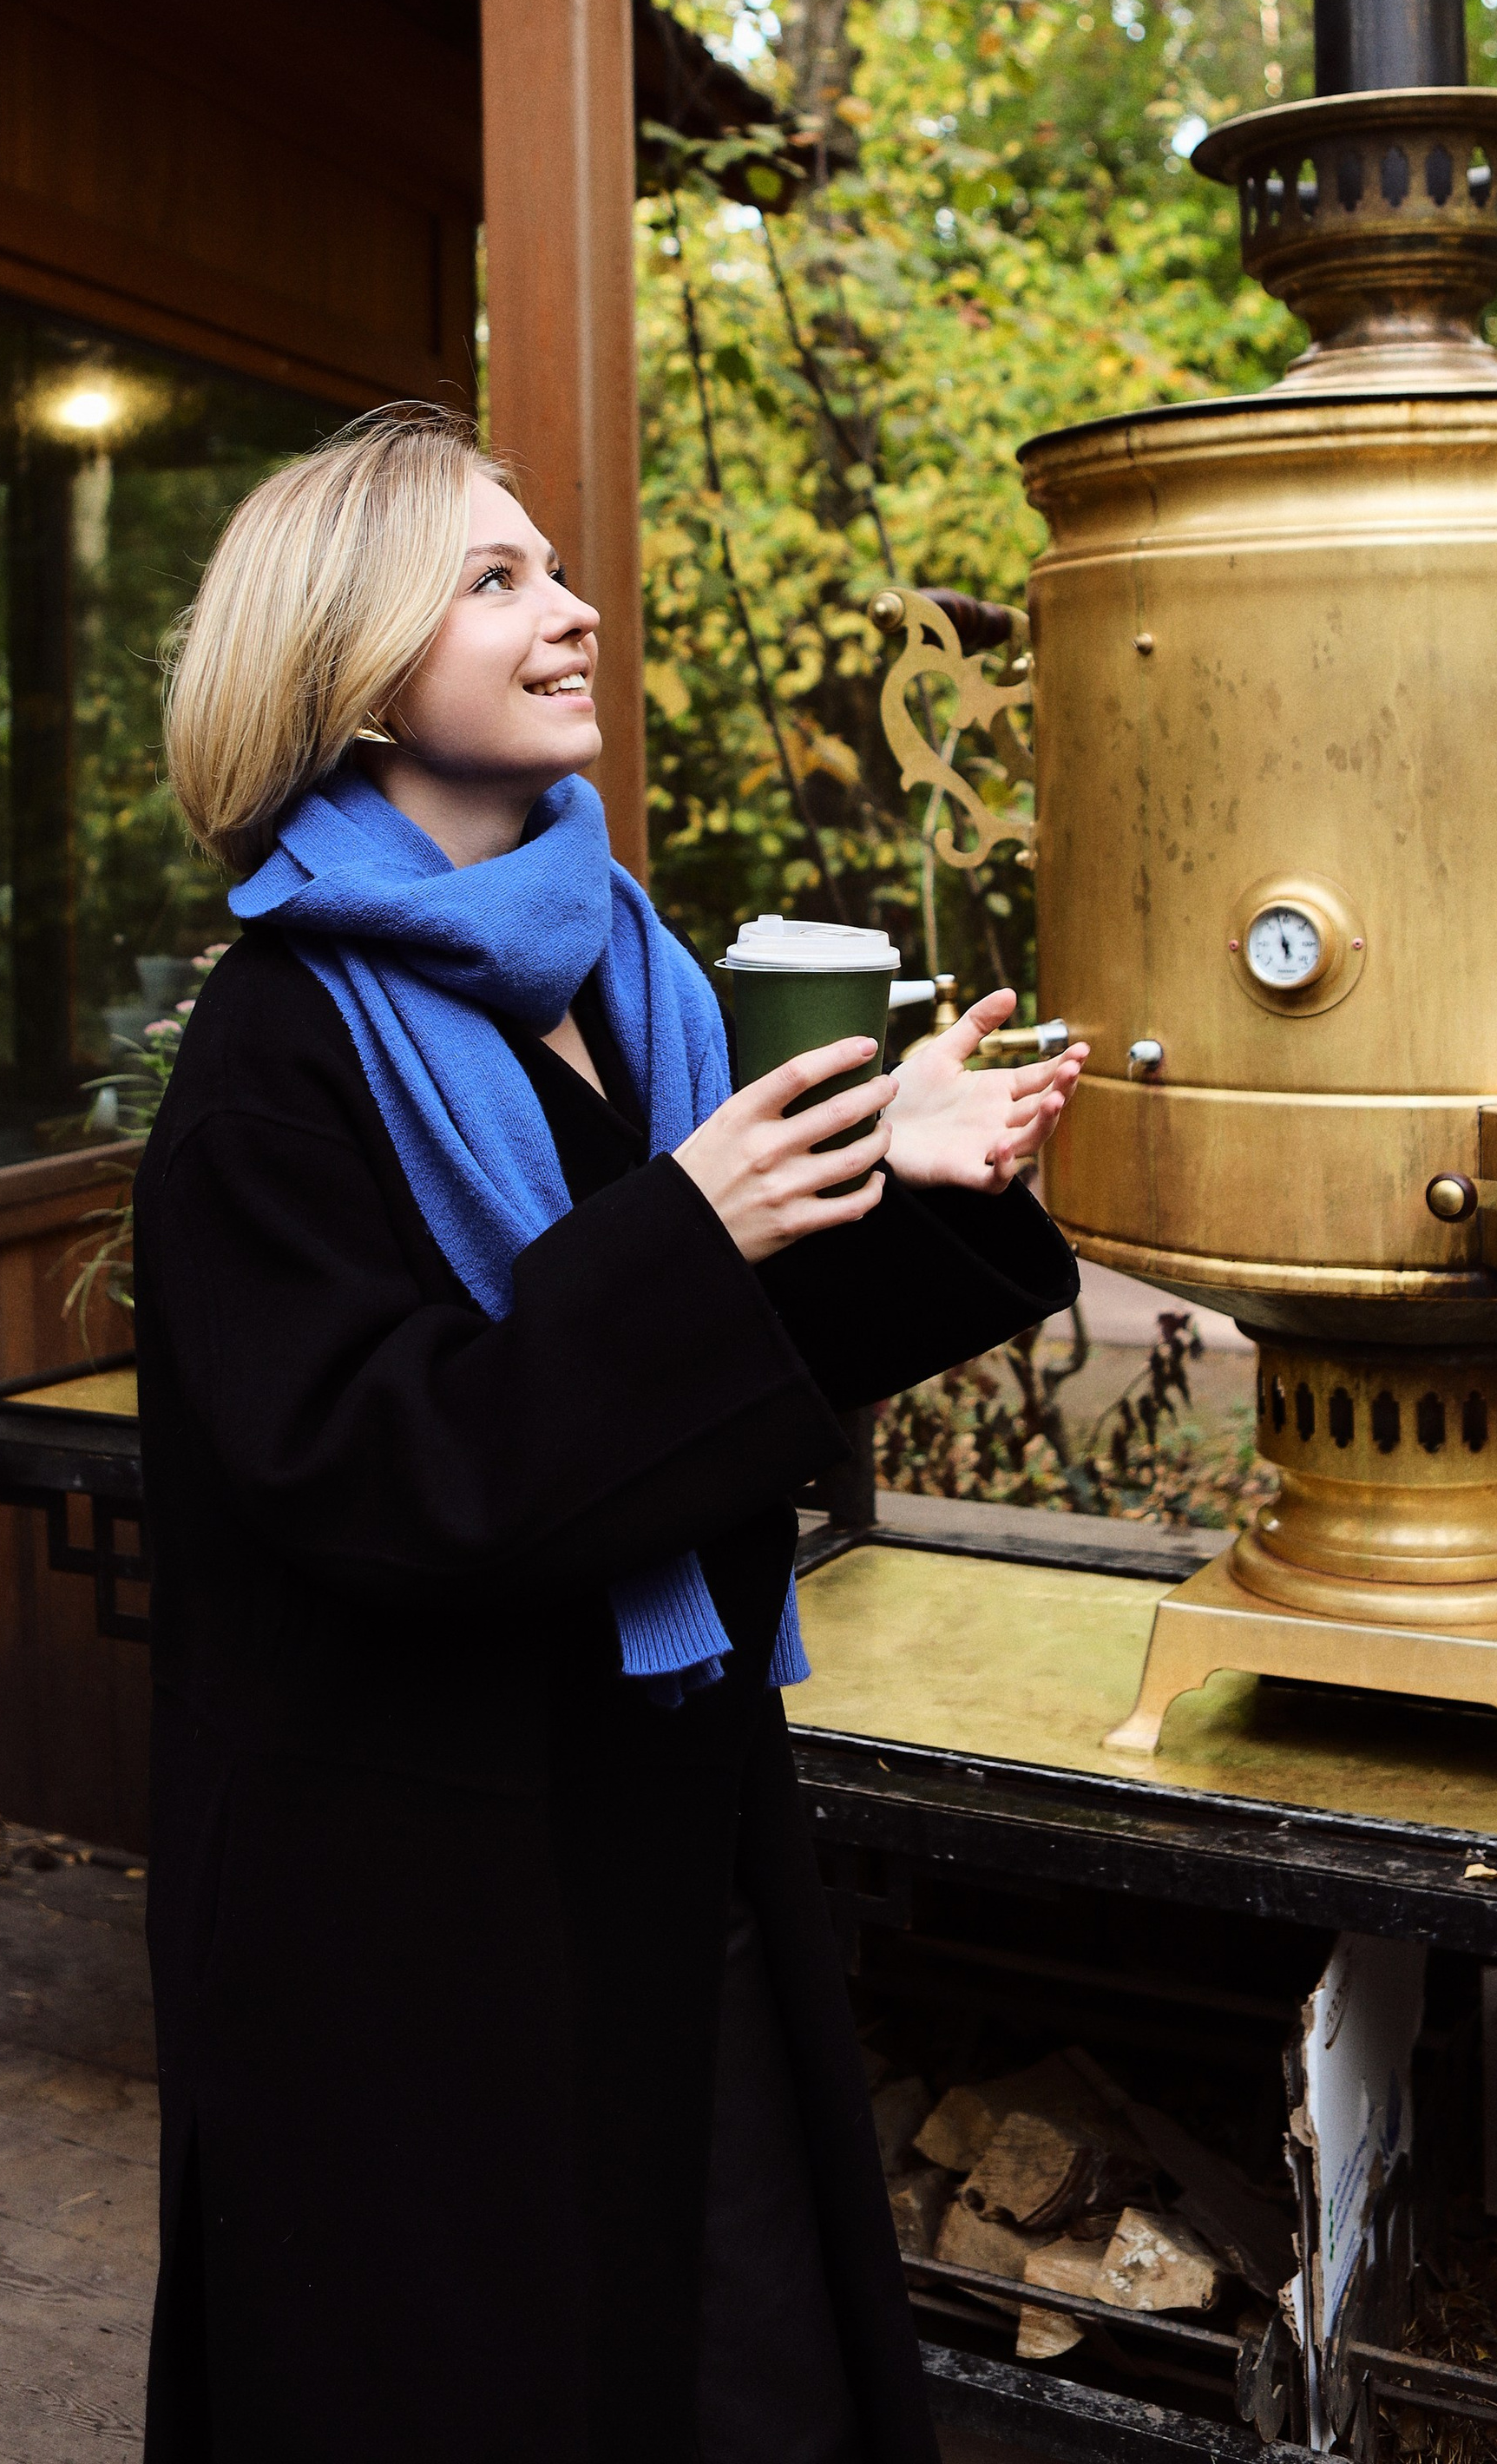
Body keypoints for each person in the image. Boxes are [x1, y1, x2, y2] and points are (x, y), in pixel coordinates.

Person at [135, 403, 1086, 2464]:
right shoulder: (271, 1056)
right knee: (477, 2379)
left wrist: (899, 1178)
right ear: (345, 666)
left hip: (654, 1813)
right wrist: (690, 1226)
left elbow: (700, 1379)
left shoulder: (624, 970)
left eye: (554, 568)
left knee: (733, 2349)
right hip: (403, 1890)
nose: (569, 612)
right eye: (493, 580)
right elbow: (390, 1475)